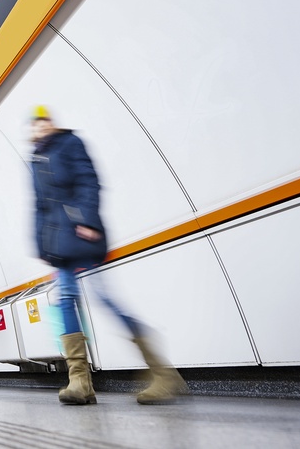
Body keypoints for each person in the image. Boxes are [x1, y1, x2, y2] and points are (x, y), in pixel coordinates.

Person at [30, 105, 188, 405]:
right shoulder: (35, 159)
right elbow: (38, 206)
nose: (40, 128)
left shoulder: (70, 143)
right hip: (58, 248)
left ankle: (163, 373)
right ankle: (79, 381)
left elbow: (89, 182)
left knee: (104, 298)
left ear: (52, 123)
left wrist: (87, 220)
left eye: (44, 122)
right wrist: (40, 245)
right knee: (64, 303)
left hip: (79, 237)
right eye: (34, 125)